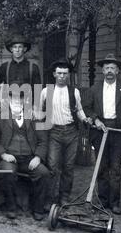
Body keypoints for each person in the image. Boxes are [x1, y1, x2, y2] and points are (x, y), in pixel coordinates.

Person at [84, 53, 121, 215]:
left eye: (112, 68)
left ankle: (114, 202)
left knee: (115, 168)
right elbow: (87, 108)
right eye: (106, 68)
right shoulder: (94, 88)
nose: (109, 71)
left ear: (117, 71)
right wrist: (96, 120)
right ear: (102, 70)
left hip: (118, 131)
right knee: (102, 166)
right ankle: (102, 200)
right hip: (100, 130)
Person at [38, 59, 92, 207]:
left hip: (71, 132)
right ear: (54, 74)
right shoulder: (46, 91)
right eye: (59, 73)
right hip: (54, 132)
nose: (62, 76)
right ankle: (50, 198)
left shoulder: (74, 91)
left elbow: (79, 110)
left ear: (68, 75)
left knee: (68, 167)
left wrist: (84, 119)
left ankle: (64, 197)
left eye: (65, 73)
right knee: (53, 166)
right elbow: (40, 111)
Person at [0, 90, 50, 221]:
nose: (17, 100)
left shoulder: (34, 116)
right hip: (10, 158)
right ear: (9, 98)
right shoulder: (1, 117)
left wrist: (38, 157)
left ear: (24, 100)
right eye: (14, 97)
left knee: (43, 173)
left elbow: (43, 141)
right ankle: (11, 207)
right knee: (7, 172)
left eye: (20, 97)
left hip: (29, 159)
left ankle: (38, 209)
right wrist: (3, 155)